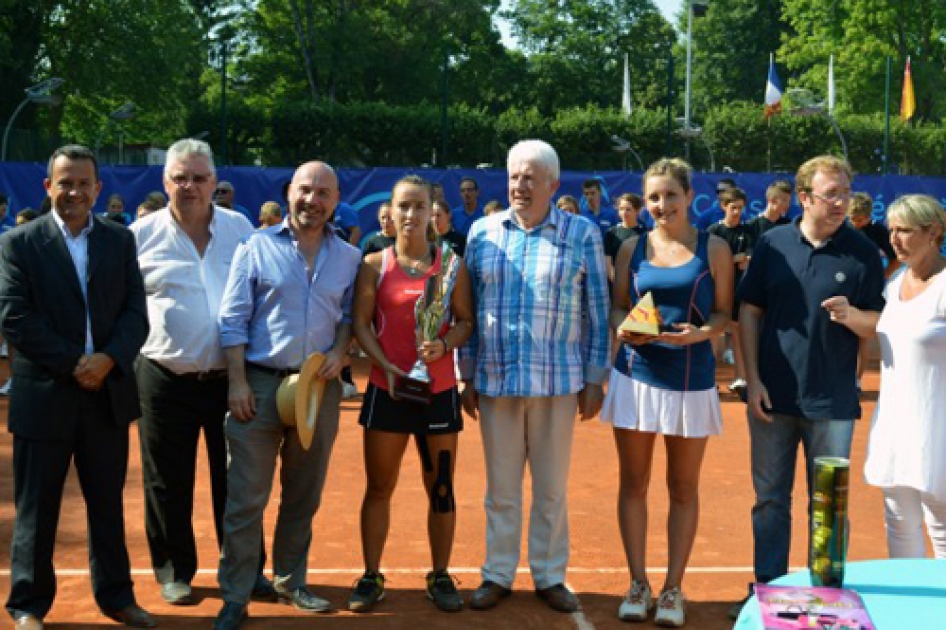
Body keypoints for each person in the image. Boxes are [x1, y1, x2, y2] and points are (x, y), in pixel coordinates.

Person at [0, 145, 153, 629]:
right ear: (48, 187)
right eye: (65, 182)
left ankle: (116, 597)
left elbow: (135, 312)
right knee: (36, 510)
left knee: (106, 506)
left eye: (84, 183)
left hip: (104, 394)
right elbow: (14, 317)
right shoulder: (18, 243)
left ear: (98, 190)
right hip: (45, 394)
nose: (74, 191)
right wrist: (75, 364)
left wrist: (108, 360)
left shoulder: (119, 240)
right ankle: (28, 605)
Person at [731, 155, 885, 619]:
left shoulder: (861, 253)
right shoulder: (773, 245)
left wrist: (853, 317)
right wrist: (752, 379)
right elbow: (749, 313)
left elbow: (875, 323)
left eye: (845, 192)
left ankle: (828, 596)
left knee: (830, 507)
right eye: (831, 193)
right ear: (804, 198)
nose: (841, 202)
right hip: (772, 398)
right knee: (771, 501)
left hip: (833, 403)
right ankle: (770, 592)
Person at [460, 140, 610, 614]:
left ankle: (549, 575)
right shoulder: (481, 233)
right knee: (500, 489)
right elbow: (467, 309)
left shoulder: (582, 233)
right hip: (496, 379)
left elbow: (599, 312)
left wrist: (593, 378)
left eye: (530, 177)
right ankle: (498, 574)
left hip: (557, 382)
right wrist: (467, 374)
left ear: (552, 184)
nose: (520, 185)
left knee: (551, 488)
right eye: (514, 176)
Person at [214, 160, 361, 630]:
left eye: (323, 193)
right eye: (304, 190)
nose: (312, 201)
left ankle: (291, 581)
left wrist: (340, 351)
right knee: (246, 496)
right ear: (289, 193)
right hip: (257, 385)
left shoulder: (349, 258)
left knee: (303, 493)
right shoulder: (255, 247)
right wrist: (237, 381)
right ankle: (236, 594)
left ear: (336, 200)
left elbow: (347, 319)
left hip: (319, 385)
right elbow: (233, 318)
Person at [130, 139, 273, 607]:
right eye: (179, 177)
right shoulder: (140, 235)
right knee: (166, 480)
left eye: (198, 178)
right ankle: (174, 570)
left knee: (237, 479)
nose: (189, 186)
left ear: (214, 182)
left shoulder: (241, 229)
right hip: (163, 375)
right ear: (164, 181)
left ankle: (248, 569)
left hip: (231, 377)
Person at [602, 158, 732, 627]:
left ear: (688, 196)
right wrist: (626, 331)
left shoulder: (713, 248)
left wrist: (697, 336)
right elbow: (617, 309)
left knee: (683, 487)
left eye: (669, 196)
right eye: (653, 197)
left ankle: (673, 589)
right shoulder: (630, 249)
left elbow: (722, 315)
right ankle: (639, 583)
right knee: (633, 485)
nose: (661, 205)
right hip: (635, 377)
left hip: (691, 381)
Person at [348, 176, 474, 613]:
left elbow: (465, 321)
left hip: (437, 392)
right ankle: (371, 574)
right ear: (391, 211)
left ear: (431, 213)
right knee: (379, 486)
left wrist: (445, 345)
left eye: (419, 207)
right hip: (388, 390)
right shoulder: (373, 264)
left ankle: (440, 574)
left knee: (440, 487)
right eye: (403, 206)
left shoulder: (451, 264)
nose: (410, 215)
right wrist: (385, 365)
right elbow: (361, 323)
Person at [864, 194, 946, 559]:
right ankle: (913, 606)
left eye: (905, 230)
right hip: (897, 423)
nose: (894, 239)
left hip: (938, 426)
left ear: (934, 233)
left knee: (941, 523)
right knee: (898, 521)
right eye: (892, 229)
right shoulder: (895, 282)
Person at [848, 192, 901, 390]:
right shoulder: (841, 229)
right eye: (852, 218)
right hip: (843, 287)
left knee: (863, 335)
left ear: (868, 216)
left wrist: (883, 276)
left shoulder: (879, 232)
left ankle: (856, 381)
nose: (855, 222)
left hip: (869, 291)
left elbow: (896, 259)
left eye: (860, 219)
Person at [707, 187, 753, 396]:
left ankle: (740, 379)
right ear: (723, 207)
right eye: (733, 208)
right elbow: (709, 262)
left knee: (738, 333)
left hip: (739, 290)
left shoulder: (747, 232)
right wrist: (734, 259)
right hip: (714, 290)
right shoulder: (713, 232)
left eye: (740, 208)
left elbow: (747, 264)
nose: (737, 212)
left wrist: (733, 260)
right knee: (712, 334)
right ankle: (709, 379)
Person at [604, 193, 646, 281]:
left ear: (637, 210)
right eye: (621, 209)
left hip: (640, 281)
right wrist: (616, 281)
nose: (624, 213)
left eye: (628, 209)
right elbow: (608, 262)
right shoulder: (611, 233)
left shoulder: (645, 233)